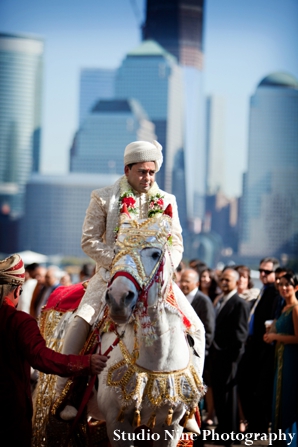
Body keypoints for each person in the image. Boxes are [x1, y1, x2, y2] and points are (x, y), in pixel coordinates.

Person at [55, 141, 205, 423]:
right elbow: (88, 241)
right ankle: (67, 395)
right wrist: (125, 264)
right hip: (112, 278)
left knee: (197, 327)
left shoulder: (167, 201)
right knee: (80, 323)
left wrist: (162, 267)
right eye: (142, 172)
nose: (148, 178)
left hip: (156, 283)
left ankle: (190, 404)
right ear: (127, 169)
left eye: (152, 172)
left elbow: (176, 245)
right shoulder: (103, 198)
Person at [0, 254, 108, 447]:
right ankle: (62, 395)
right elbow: (41, 358)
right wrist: (85, 363)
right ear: (17, 291)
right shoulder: (19, 322)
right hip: (9, 416)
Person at [238, 256, 280, 434]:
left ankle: (259, 426)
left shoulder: (274, 293)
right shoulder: (264, 290)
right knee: (247, 385)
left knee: (258, 388)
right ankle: (255, 425)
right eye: (261, 271)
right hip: (253, 344)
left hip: (263, 346)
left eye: (267, 272)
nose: (262, 274)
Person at [210, 268, 249, 443]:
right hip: (217, 359)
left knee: (229, 398)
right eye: (222, 279)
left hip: (229, 359)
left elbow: (240, 336)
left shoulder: (240, 303)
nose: (224, 282)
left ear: (236, 281)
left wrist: (233, 361)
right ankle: (222, 431)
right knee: (219, 397)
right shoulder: (220, 301)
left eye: (228, 280)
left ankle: (229, 435)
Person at [263, 270, 298, 447]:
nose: (283, 288)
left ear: (296, 287)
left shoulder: (296, 308)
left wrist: (277, 338)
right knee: (278, 399)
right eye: (281, 284)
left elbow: (297, 338)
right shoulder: (283, 307)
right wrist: (271, 335)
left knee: (288, 400)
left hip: (291, 360)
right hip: (281, 358)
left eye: (288, 285)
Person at [179, 268, 215, 429]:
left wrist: (198, 355)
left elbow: (208, 331)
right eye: (182, 280)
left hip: (195, 358)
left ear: (197, 283)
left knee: (194, 400)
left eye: (187, 281)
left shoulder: (203, 300)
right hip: (181, 359)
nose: (184, 284)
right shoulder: (181, 299)